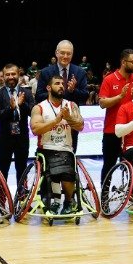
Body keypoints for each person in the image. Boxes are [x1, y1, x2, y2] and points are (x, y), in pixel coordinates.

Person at [30, 72, 83, 214]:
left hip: (66, 149)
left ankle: (68, 202)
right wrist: (56, 120)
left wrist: (68, 118)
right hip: (46, 148)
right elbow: (35, 129)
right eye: (57, 84)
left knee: (66, 172)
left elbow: (80, 125)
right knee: (54, 171)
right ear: (48, 87)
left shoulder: (71, 105)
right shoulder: (39, 107)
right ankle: (56, 201)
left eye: (62, 84)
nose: (61, 86)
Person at [34, 40, 91, 152]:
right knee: (48, 152)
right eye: (62, 53)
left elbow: (85, 96)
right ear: (56, 53)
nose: (65, 56)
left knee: (71, 154)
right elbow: (39, 96)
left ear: (72, 54)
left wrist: (73, 90)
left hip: (72, 121)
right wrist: (57, 92)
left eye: (68, 53)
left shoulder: (80, 72)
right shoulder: (46, 72)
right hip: (49, 119)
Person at [0, 63, 35, 199]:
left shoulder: (26, 92)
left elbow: (33, 113)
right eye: (7, 74)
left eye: (13, 74)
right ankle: (1, 201)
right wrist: (11, 108)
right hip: (4, 139)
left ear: (18, 75)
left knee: (22, 170)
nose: (10, 77)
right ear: (3, 77)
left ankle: (22, 200)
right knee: (2, 170)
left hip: (22, 138)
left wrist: (22, 104)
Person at [97, 49, 133, 185]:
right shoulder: (110, 79)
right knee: (109, 165)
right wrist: (120, 97)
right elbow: (102, 103)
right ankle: (104, 198)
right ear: (123, 62)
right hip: (112, 131)